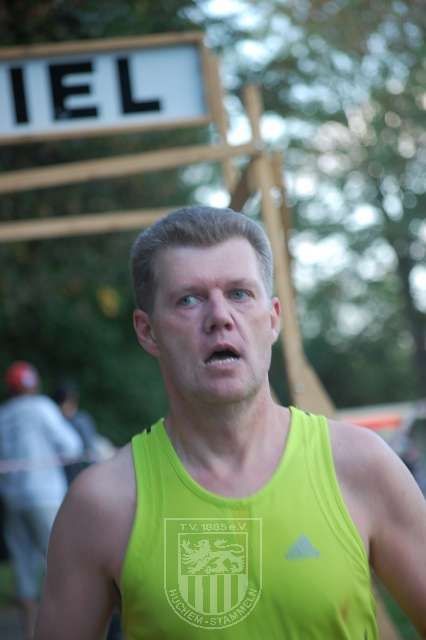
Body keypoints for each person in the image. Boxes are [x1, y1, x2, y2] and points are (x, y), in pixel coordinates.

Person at [34, 206, 426, 639]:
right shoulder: (102, 502)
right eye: (189, 299)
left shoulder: (360, 465)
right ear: (147, 331)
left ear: (272, 318)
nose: (220, 316)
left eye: (239, 294)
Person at [0, 361, 83, 640]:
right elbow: (72, 445)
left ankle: (29, 634)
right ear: (34, 384)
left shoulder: (3, 414)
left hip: (13, 499)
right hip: (45, 495)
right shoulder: (42, 407)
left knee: (23, 568)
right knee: (61, 563)